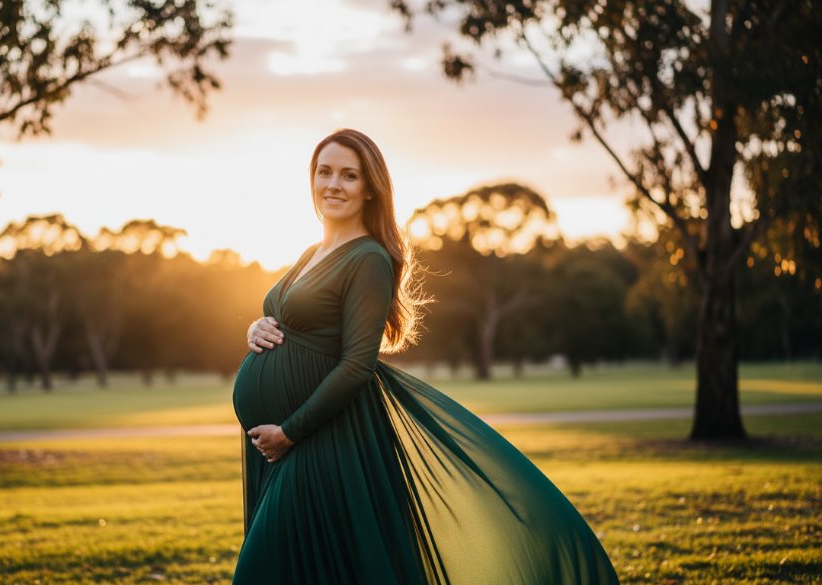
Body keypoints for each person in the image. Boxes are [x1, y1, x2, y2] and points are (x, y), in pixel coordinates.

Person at [231, 128, 619, 584]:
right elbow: (290, 321)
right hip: (279, 445)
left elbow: (357, 365)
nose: (333, 184)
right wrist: (256, 327)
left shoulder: (368, 259)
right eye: (324, 172)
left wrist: (290, 433)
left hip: (319, 441)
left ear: (370, 188)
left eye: (349, 175)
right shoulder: (310, 253)